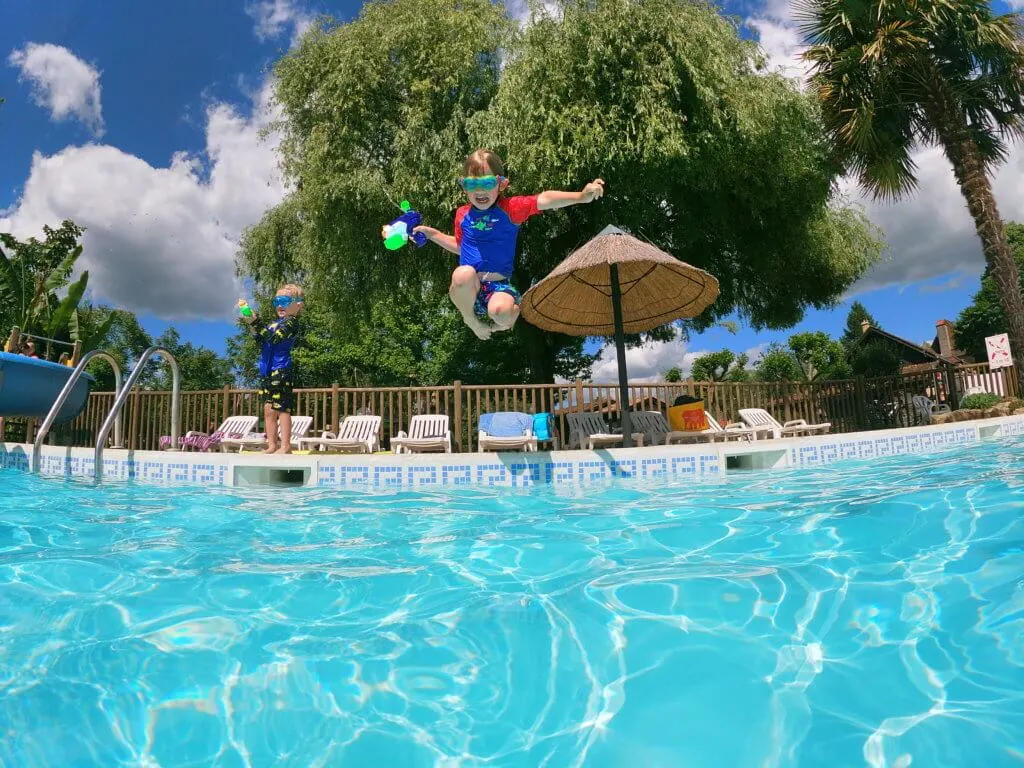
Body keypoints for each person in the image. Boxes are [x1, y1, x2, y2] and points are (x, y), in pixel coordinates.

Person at [413, 148, 605, 340]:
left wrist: (580, 197)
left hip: (498, 286)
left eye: (487, 183)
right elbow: (461, 247)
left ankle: (502, 324)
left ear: (501, 184)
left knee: (500, 311)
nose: (480, 191)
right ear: (464, 187)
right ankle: (471, 320)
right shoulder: (463, 214)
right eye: (472, 184)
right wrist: (433, 234)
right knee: (463, 273)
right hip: (469, 289)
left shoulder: (511, 209)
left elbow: (544, 199)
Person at [239, 284, 305, 454]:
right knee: (268, 409)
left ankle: (286, 446)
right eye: (277, 301)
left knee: (282, 407)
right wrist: (253, 324)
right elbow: (263, 341)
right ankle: (272, 445)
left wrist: (257, 322)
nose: (280, 305)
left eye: (284, 300)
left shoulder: (292, 322)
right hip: (267, 370)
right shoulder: (274, 323)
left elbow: (275, 339)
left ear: (298, 304)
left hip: (281, 368)